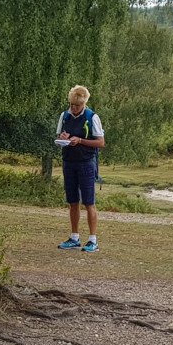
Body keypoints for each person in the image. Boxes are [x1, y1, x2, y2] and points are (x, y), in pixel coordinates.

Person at [55, 84, 105, 253]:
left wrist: (81, 141)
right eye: (72, 105)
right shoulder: (65, 116)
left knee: (89, 202)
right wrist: (63, 137)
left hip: (86, 163)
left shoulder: (92, 117)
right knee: (72, 201)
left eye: (77, 105)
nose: (74, 108)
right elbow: (58, 135)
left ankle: (93, 240)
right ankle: (74, 237)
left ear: (84, 103)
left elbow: (100, 142)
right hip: (69, 162)